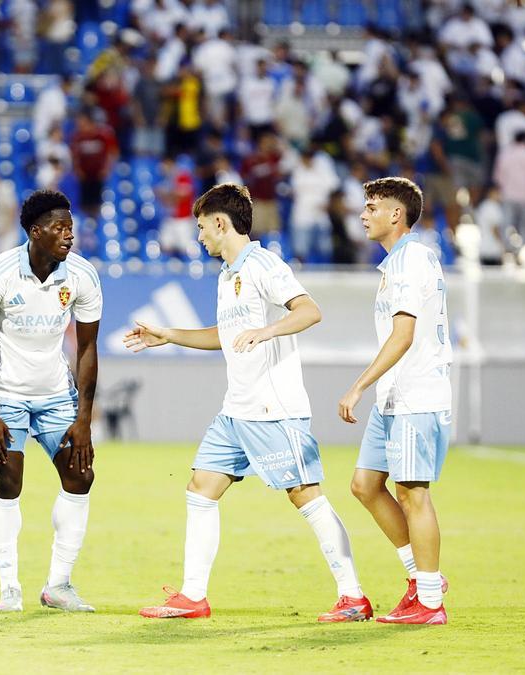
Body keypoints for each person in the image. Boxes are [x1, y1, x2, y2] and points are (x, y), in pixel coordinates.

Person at [129, 183, 370, 622]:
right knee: (201, 489)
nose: (199, 237)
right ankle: (193, 596)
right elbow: (223, 338)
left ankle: (353, 595)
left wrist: (268, 330)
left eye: (202, 228)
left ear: (221, 224)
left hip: (272, 409)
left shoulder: (263, 264)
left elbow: (308, 310)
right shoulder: (227, 276)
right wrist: (169, 336)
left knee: (305, 495)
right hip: (236, 411)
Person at [0, 189, 102, 613]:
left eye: (71, 228)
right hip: (6, 395)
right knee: (9, 480)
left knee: (81, 476)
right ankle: (9, 587)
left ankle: (58, 585)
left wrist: (83, 418)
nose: (69, 236)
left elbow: (87, 349)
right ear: (35, 231)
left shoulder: (82, 276)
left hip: (57, 396)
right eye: (60, 228)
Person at [338, 177, 452, 625]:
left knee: (412, 492)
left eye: (371, 207)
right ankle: (420, 580)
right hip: (396, 396)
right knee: (365, 485)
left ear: (395, 215)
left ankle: (429, 602)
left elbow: (403, 337)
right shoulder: (397, 263)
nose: (363, 215)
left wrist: (358, 385)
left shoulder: (411, 261)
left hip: (417, 395)